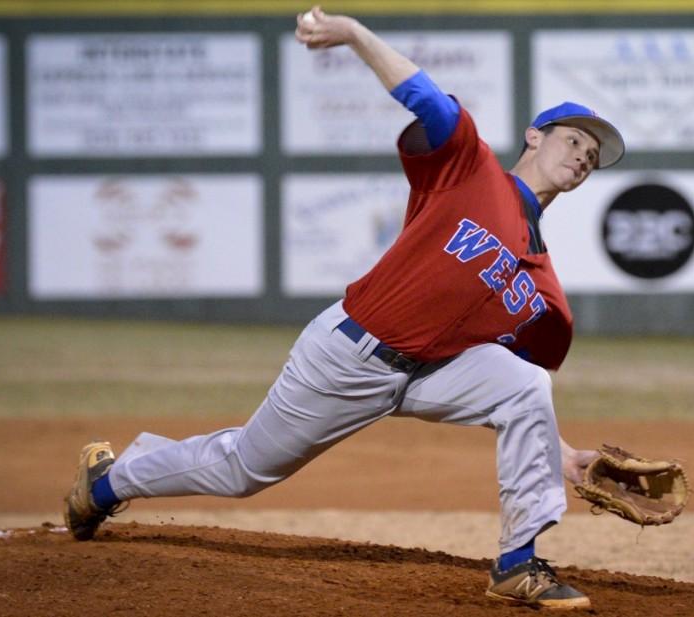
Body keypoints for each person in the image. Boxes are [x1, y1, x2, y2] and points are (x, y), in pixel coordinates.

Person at [64, 5, 625, 610]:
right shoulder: (471, 169)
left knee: (525, 385)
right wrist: (356, 34)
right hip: (349, 354)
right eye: (575, 140)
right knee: (244, 470)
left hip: (426, 372)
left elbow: (497, 378)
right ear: (534, 136)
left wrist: (557, 455)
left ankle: (518, 563)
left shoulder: (538, 277)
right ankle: (109, 482)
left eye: (593, 157)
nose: (583, 157)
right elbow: (428, 99)